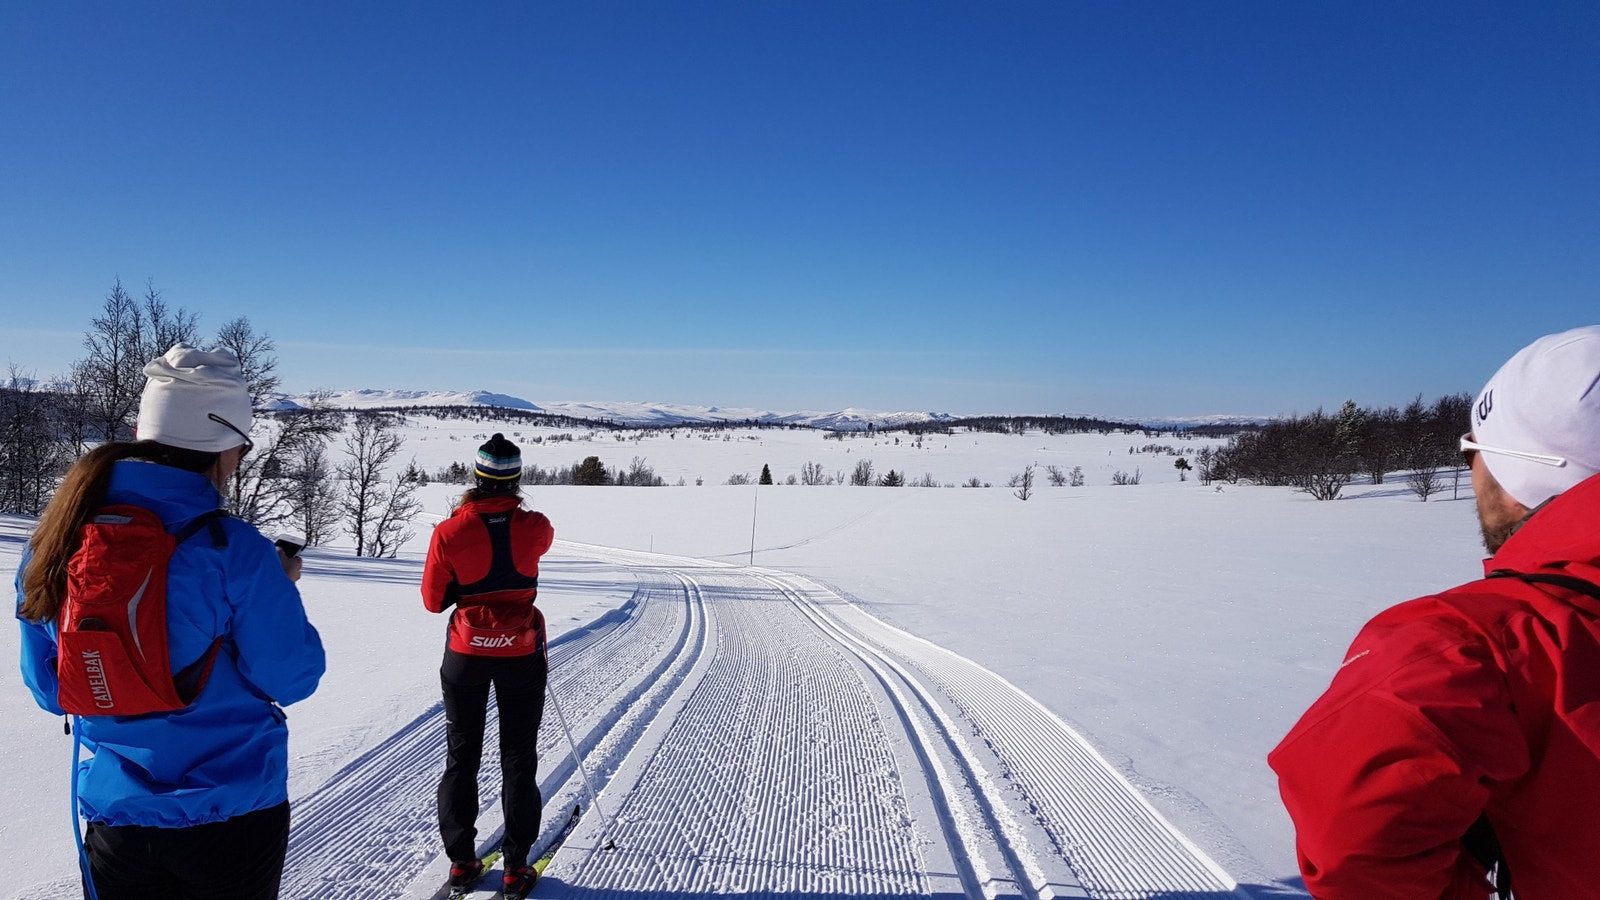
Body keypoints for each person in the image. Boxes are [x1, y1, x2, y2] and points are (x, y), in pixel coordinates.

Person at [1269, 325, 1600, 899]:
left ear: (1525, 473)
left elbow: (1354, 845)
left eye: (1473, 449)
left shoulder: (1473, 645)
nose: (1470, 469)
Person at [16, 343, 326, 900]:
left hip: (117, 815)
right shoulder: (232, 548)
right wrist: (276, 585)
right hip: (230, 813)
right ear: (225, 444)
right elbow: (293, 677)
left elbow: (50, 687)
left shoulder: (58, 538)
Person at [422, 433, 554, 898]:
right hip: (519, 653)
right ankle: (517, 866)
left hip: (466, 654)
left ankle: (462, 862)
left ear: (476, 477)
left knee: (462, 755)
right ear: (516, 478)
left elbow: (433, 601)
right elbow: (531, 544)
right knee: (519, 756)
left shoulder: (449, 532)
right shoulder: (537, 526)